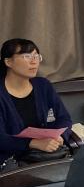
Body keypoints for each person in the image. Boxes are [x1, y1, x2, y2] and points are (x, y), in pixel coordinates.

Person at [0, 38, 72, 166]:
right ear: (8, 61)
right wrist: (32, 143)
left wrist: (60, 137)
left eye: (36, 56)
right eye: (27, 56)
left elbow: (64, 118)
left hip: (46, 157)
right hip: (10, 162)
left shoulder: (43, 85)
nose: (34, 61)